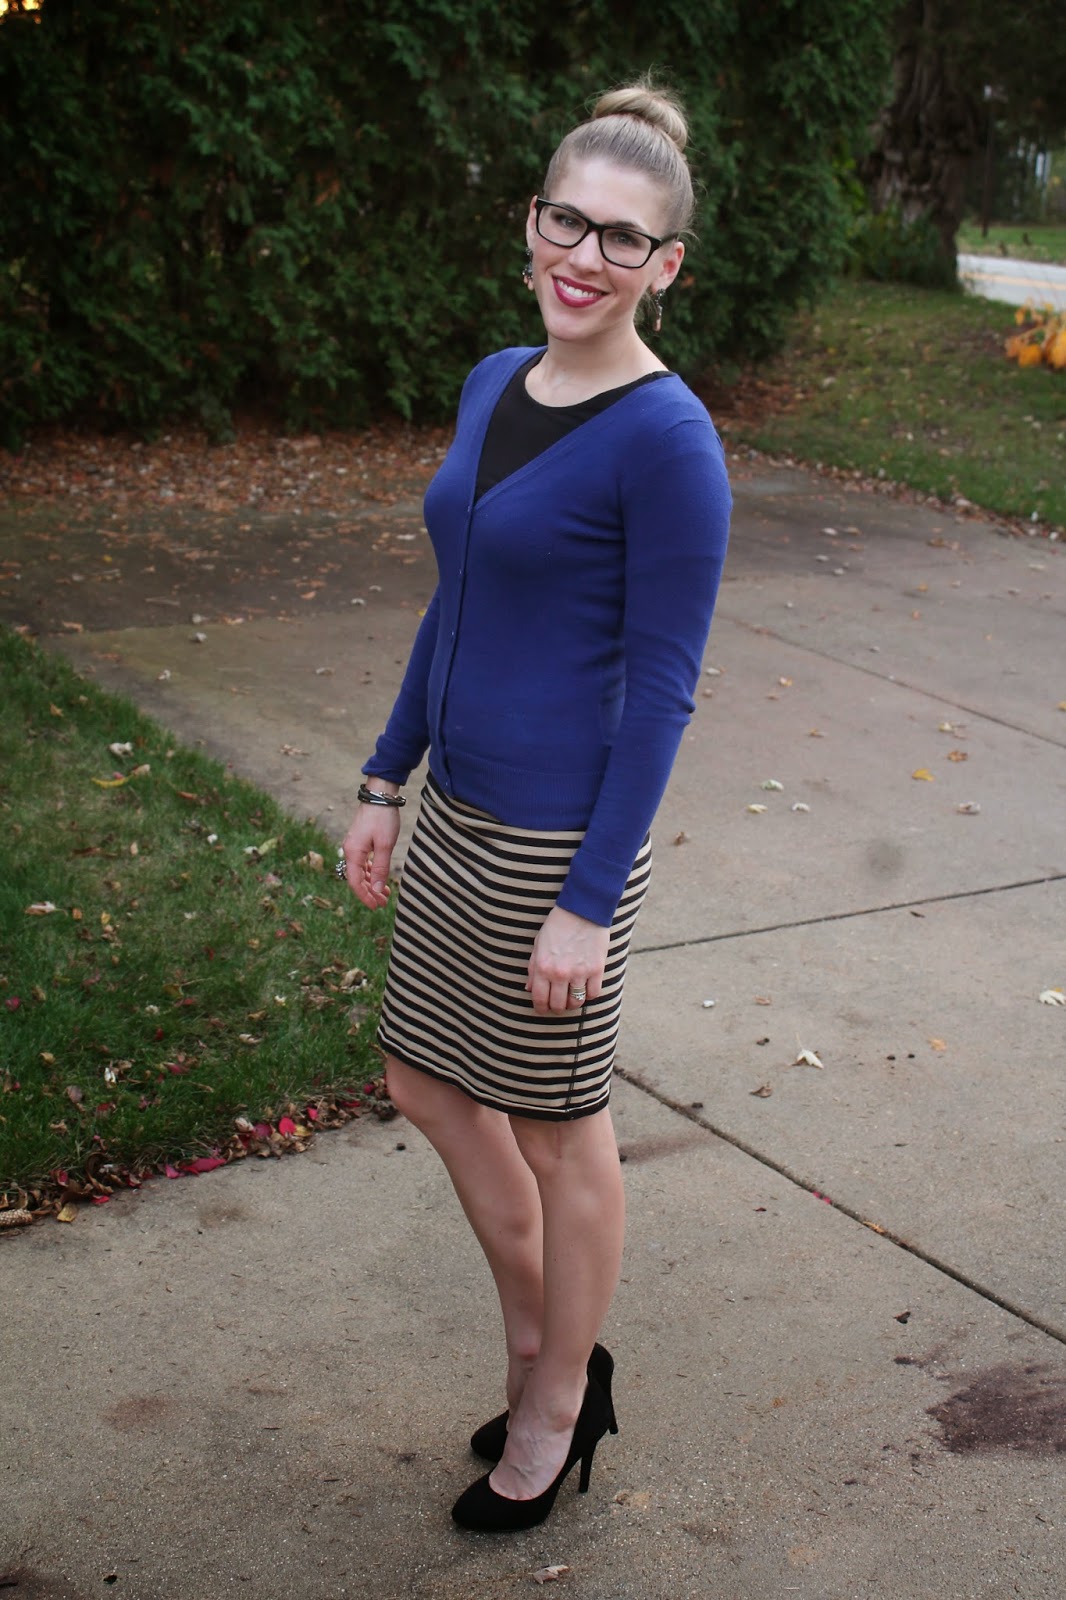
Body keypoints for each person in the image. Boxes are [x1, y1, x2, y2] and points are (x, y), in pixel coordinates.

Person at [340, 78, 732, 1533]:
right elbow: (456, 601)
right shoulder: (496, 379)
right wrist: (386, 777)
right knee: (425, 1082)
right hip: (455, 815)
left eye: (622, 239)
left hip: (558, 844)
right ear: (531, 222)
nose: (585, 256)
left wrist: (585, 902)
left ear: (664, 265)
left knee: (563, 1129)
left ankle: (558, 1398)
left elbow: (662, 694)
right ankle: (542, 1339)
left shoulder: (669, 441)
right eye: (568, 221)